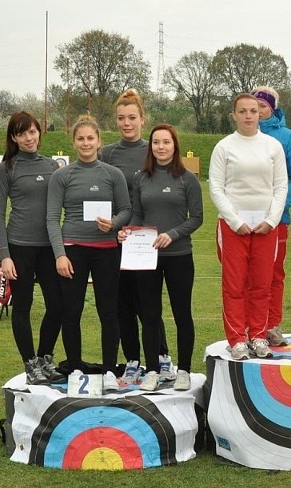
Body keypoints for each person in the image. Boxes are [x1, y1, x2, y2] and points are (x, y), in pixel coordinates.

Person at [46, 115, 131, 386]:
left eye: (90, 138)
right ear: (73, 142)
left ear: (98, 141)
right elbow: (51, 218)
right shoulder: (61, 175)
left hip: (107, 250)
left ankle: (108, 370)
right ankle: (74, 369)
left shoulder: (112, 174)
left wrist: (114, 223)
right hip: (73, 250)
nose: (85, 143)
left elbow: (126, 209)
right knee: (71, 311)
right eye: (80, 138)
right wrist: (60, 254)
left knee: (108, 311)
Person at [120, 124, 203, 391]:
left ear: (174, 145)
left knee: (182, 314)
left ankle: (185, 370)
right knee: (150, 315)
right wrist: (127, 232)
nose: (161, 147)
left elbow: (197, 218)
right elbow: (137, 214)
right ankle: (153, 370)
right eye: (156, 143)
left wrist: (174, 233)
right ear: (151, 146)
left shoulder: (187, 178)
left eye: (166, 142)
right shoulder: (141, 178)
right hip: (148, 257)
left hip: (179, 255)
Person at [209, 93, 288, 360]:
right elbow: (216, 188)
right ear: (234, 115)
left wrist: (271, 219)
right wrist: (235, 221)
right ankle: (237, 338)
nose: (248, 116)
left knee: (262, 284)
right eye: (242, 111)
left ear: (261, 113)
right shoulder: (224, 147)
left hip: (266, 227)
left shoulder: (272, 146)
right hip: (234, 227)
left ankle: (258, 335)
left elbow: (281, 186)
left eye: (253, 111)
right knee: (234, 285)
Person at [101, 89, 171, 380]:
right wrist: (113, 226)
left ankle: (162, 356)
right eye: (121, 118)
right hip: (117, 240)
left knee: (148, 303)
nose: (126, 123)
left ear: (143, 119)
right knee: (123, 303)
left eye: (132, 117)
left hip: (145, 239)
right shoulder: (108, 154)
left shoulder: (151, 150)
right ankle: (131, 358)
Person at [0, 111, 64, 384]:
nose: (28, 137)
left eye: (32, 131)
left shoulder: (52, 166)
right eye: (22, 133)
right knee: (23, 306)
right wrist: (5, 256)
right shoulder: (6, 168)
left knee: (57, 305)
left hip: (49, 248)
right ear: (14, 137)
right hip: (19, 247)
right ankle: (30, 364)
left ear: (39, 132)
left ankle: (45, 359)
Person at [249, 86, 291, 346]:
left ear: (272, 107)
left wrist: (280, 205)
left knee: (274, 274)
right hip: (245, 217)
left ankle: (272, 325)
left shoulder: (286, 137)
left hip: (276, 218)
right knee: (247, 275)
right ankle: (249, 326)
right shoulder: (241, 135)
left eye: (262, 106)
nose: (258, 112)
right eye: (253, 106)